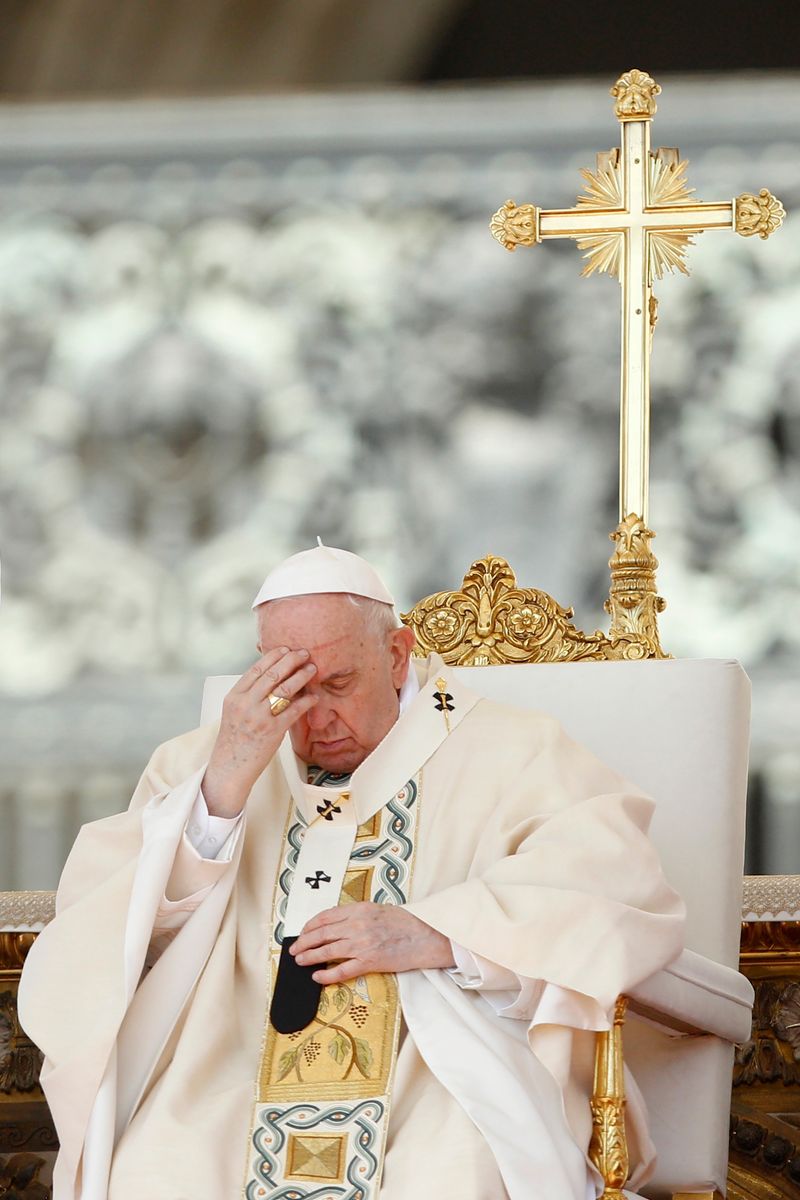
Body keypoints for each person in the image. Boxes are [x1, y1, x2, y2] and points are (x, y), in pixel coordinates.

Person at [19, 544, 685, 1200]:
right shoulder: (212, 762)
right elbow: (118, 936)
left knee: (455, 1174)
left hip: (438, 1064)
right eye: (293, 692)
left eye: (338, 686)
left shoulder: (516, 749)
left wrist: (437, 932)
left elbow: (613, 882)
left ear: (396, 656)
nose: (316, 721)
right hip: (227, 1059)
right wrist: (221, 789)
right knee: (156, 1173)